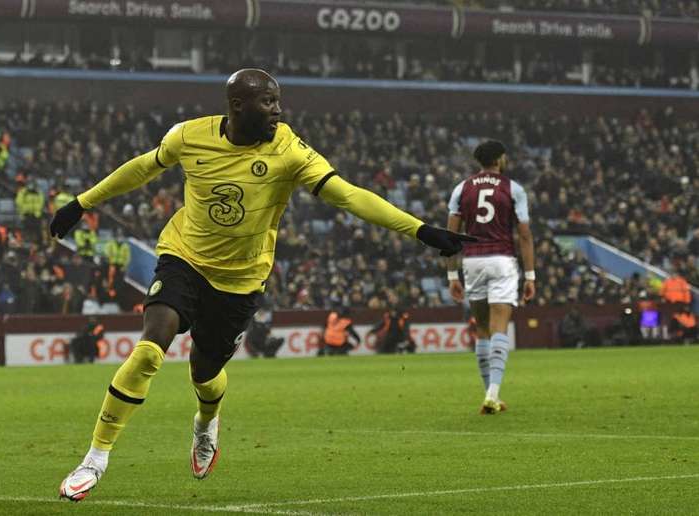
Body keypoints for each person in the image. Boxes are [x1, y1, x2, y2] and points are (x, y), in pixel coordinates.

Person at [50, 68, 474, 502]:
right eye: (268, 102)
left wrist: (421, 230)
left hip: (241, 278)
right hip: (184, 258)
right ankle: (95, 459)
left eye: (277, 101)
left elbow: (348, 195)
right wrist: (81, 203)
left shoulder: (290, 150)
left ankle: (205, 422)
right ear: (238, 105)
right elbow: (142, 168)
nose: (278, 109)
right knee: (148, 350)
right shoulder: (190, 136)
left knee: (205, 373)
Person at [446, 140, 535, 415]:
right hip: (502, 260)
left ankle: (490, 394)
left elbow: (450, 235)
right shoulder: (513, 189)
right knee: (499, 326)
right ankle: (493, 393)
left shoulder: (462, 188)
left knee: (482, 327)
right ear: (499, 159)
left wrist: (452, 274)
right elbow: (524, 234)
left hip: (472, 262)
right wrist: (530, 275)